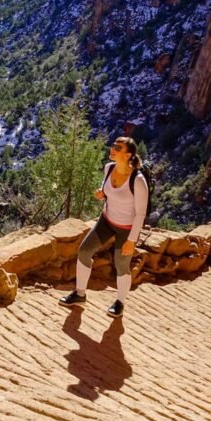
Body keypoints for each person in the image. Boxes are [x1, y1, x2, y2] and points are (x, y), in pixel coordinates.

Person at [59, 136, 148, 317]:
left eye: (118, 148)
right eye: (113, 145)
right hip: (107, 220)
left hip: (127, 228)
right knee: (84, 251)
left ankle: (120, 303)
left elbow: (140, 213)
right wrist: (101, 194)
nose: (112, 149)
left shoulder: (138, 181)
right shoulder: (108, 168)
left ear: (128, 155)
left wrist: (132, 240)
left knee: (121, 265)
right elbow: (106, 189)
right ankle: (79, 294)